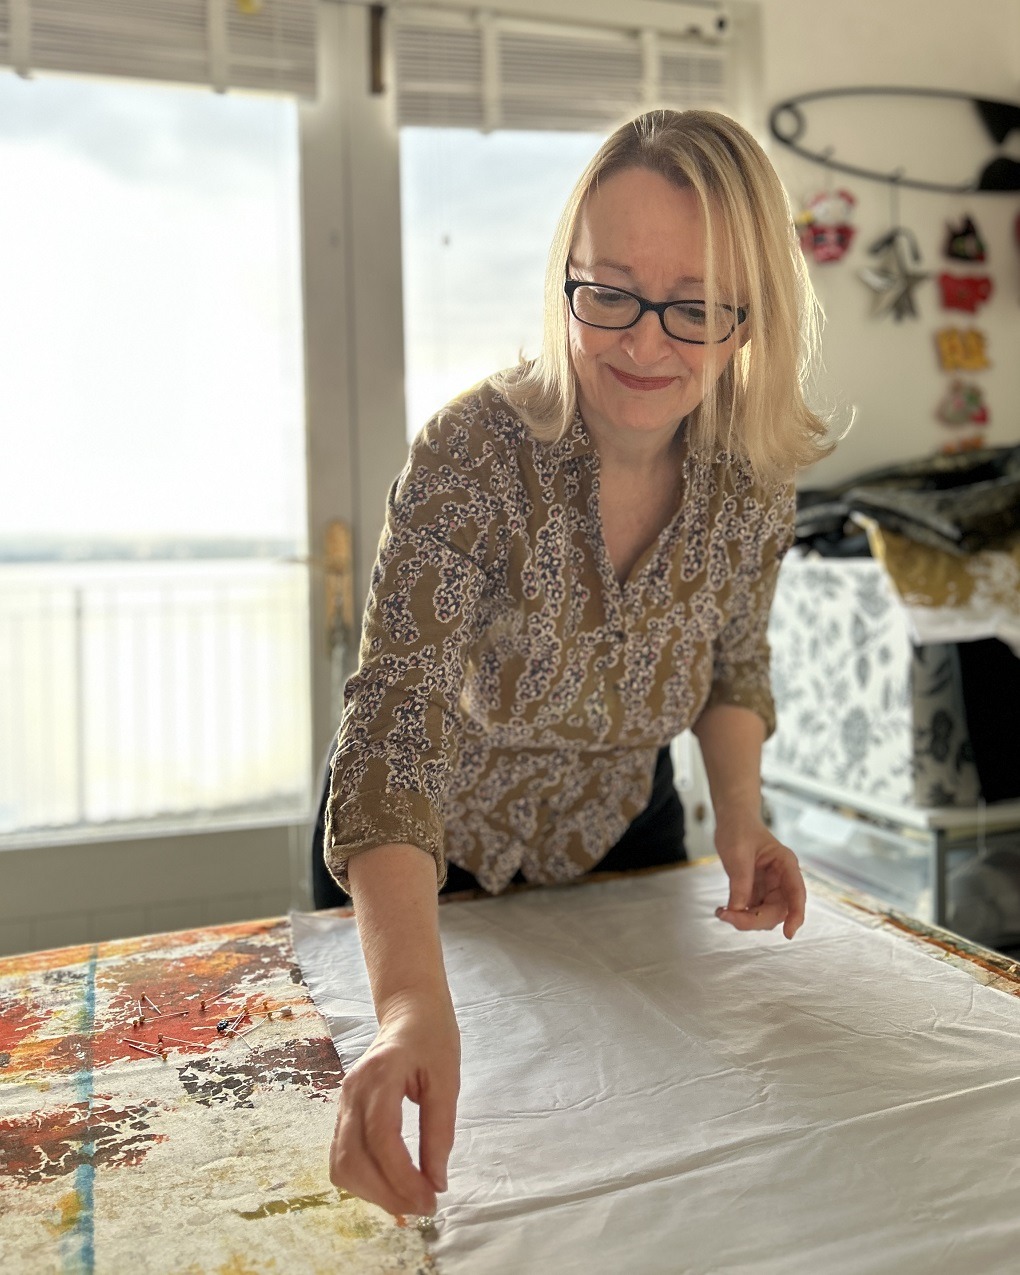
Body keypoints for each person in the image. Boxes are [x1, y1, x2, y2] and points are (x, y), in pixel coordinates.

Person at [319, 108, 834, 1220]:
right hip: (422, 860)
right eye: (610, 293)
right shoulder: (472, 453)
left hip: (620, 842)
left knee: (632, 1169)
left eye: (694, 307)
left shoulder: (753, 479)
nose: (644, 346)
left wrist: (742, 821)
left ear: (750, 317)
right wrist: (408, 1004)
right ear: (567, 280)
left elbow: (735, 663)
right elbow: (395, 719)